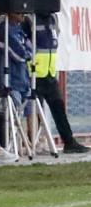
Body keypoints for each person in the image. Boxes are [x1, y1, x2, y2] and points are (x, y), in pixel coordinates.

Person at [31, 12, 89, 154]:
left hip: (49, 73)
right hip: (34, 73)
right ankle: (34, 143)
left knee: (58, 106)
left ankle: (69, 142)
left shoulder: (53, 18)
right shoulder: (30, 19)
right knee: (33, 110)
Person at [0, 12, 34, 151]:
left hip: (23, 78)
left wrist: (28, 52)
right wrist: (27, 53)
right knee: (12, 114)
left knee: (28, 111)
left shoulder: (19, 29)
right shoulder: (3, 29)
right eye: (19, 11)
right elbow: (20, 54)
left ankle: (29, 144)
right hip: (10, 80)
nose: (23, 14)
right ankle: (12, 147)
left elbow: (30, 49)